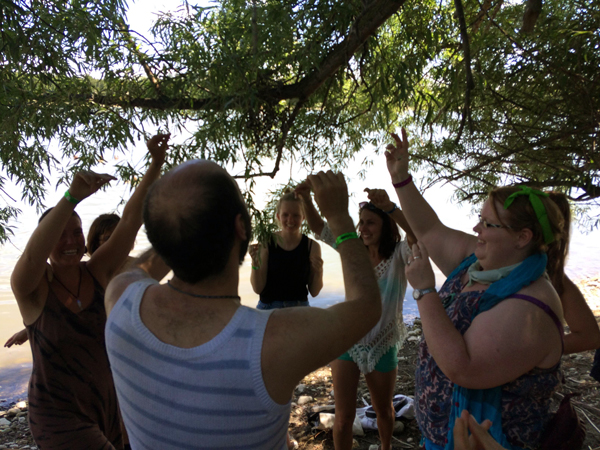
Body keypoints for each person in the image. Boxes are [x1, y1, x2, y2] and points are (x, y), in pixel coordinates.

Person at [103, 162, 382, 449]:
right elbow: (367, 306)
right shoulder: (272, 341)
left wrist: (178, 222)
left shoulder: (121, 300)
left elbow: (141, 264)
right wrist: (340, 219)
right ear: (241, 226)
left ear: (157, 234)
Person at [385, 128, 567, 449]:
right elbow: (428, 229)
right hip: (444, 437)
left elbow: (463, 369)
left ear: (522, 237)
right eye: (479, 219)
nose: (475, 228)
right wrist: (401, 179)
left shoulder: (530, 304)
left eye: (487, 224)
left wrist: (425, 291)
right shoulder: (480, 261)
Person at [10, 134, 169, 449]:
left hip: (110, 408)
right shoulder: (32, 289)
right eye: (60, 234)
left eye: (77, 232)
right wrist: (71, 198)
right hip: (58, 417)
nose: (70, 241)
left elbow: (130, 220)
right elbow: (31, 256)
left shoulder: (97, 271)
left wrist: (156, 164)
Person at [296, 184, 416, 450]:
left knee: (384, 411)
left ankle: (386, 447)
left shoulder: (399, 255)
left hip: (383, 343)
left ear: (385, 225)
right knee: (343, 418)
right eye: (360, 223)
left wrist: (392, 209)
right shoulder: (353, 252)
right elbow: (322, 229)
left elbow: (416, 235)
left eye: (370, 223)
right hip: (347, 340)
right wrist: (305, 198)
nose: (362, 228)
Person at [250, 189, 323, 310]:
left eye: (296, 215)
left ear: (303, 217)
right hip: (269, 308)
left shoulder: (312, 246)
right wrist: (254, 263)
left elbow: (314, 292)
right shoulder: (266, 242)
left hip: (300, 308)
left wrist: (318, 271)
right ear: (278, 216)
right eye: (285, 215)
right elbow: (258, 289)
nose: (290, 220)